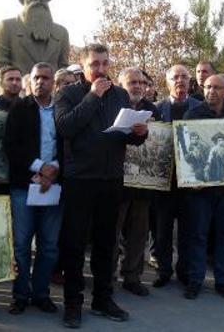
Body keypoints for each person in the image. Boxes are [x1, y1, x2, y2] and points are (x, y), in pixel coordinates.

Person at [54, 43, 147, 328]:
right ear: (84, 66)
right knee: (75, 244)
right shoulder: (68, 93)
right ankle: (72, 303)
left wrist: (139, 133)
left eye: (106, 63)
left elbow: (126, 137)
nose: (102, 69)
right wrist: (93, 96)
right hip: (79, 180)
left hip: (111, 179)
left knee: (107, 244)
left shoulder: (120, 94)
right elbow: (65, 127)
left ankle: (103, 299)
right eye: (95, 64)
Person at [3, 62, 63, 315]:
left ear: (53, 83)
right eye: (36, 77)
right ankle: (20, 295)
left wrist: (55, 168)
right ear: (31, 81)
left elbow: (71, 144)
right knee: (21, 245)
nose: (40, 82)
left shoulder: (62, 109)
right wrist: (40, 167)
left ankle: (41, 294)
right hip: (23, 185)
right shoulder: (20, 108)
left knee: (49, 246)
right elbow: (10, 145)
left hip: (55, 185)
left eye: (46, 78)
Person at [180, 75, 224, 301]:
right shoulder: (192, 115)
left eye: (216, 87)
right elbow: (186, 154)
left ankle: (223, 281)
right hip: (200, 191)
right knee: (197, 235)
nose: (211, 91)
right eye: (207, 87)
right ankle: (195, 280)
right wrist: (190, 178)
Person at [113, 67, 160, 297]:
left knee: (139, 232)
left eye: (142, 82)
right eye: (132, 82)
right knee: (111, 231)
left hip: (143, 183)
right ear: (121, 83)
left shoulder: (153, 110)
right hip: (115, 181)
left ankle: (132, 276)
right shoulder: (111, 106)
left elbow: (159, 142)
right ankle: (107, 274)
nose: (138, 86)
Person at [153, 65, 201, 289]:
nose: (180, 81)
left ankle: (184, 270)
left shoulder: (200, 109)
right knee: (162, 231)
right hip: (164, 181)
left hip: (191, 183)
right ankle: (163, 270)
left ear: (190, 81)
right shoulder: (156, 109)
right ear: (167, 82)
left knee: (188, 231)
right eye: (175, 77)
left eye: (184, 76)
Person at [0, 0, 70, 77]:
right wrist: (20, 81)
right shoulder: (7, 27)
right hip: (16, 92)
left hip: (51, 93)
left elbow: (64, 67)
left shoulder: (61, 33)